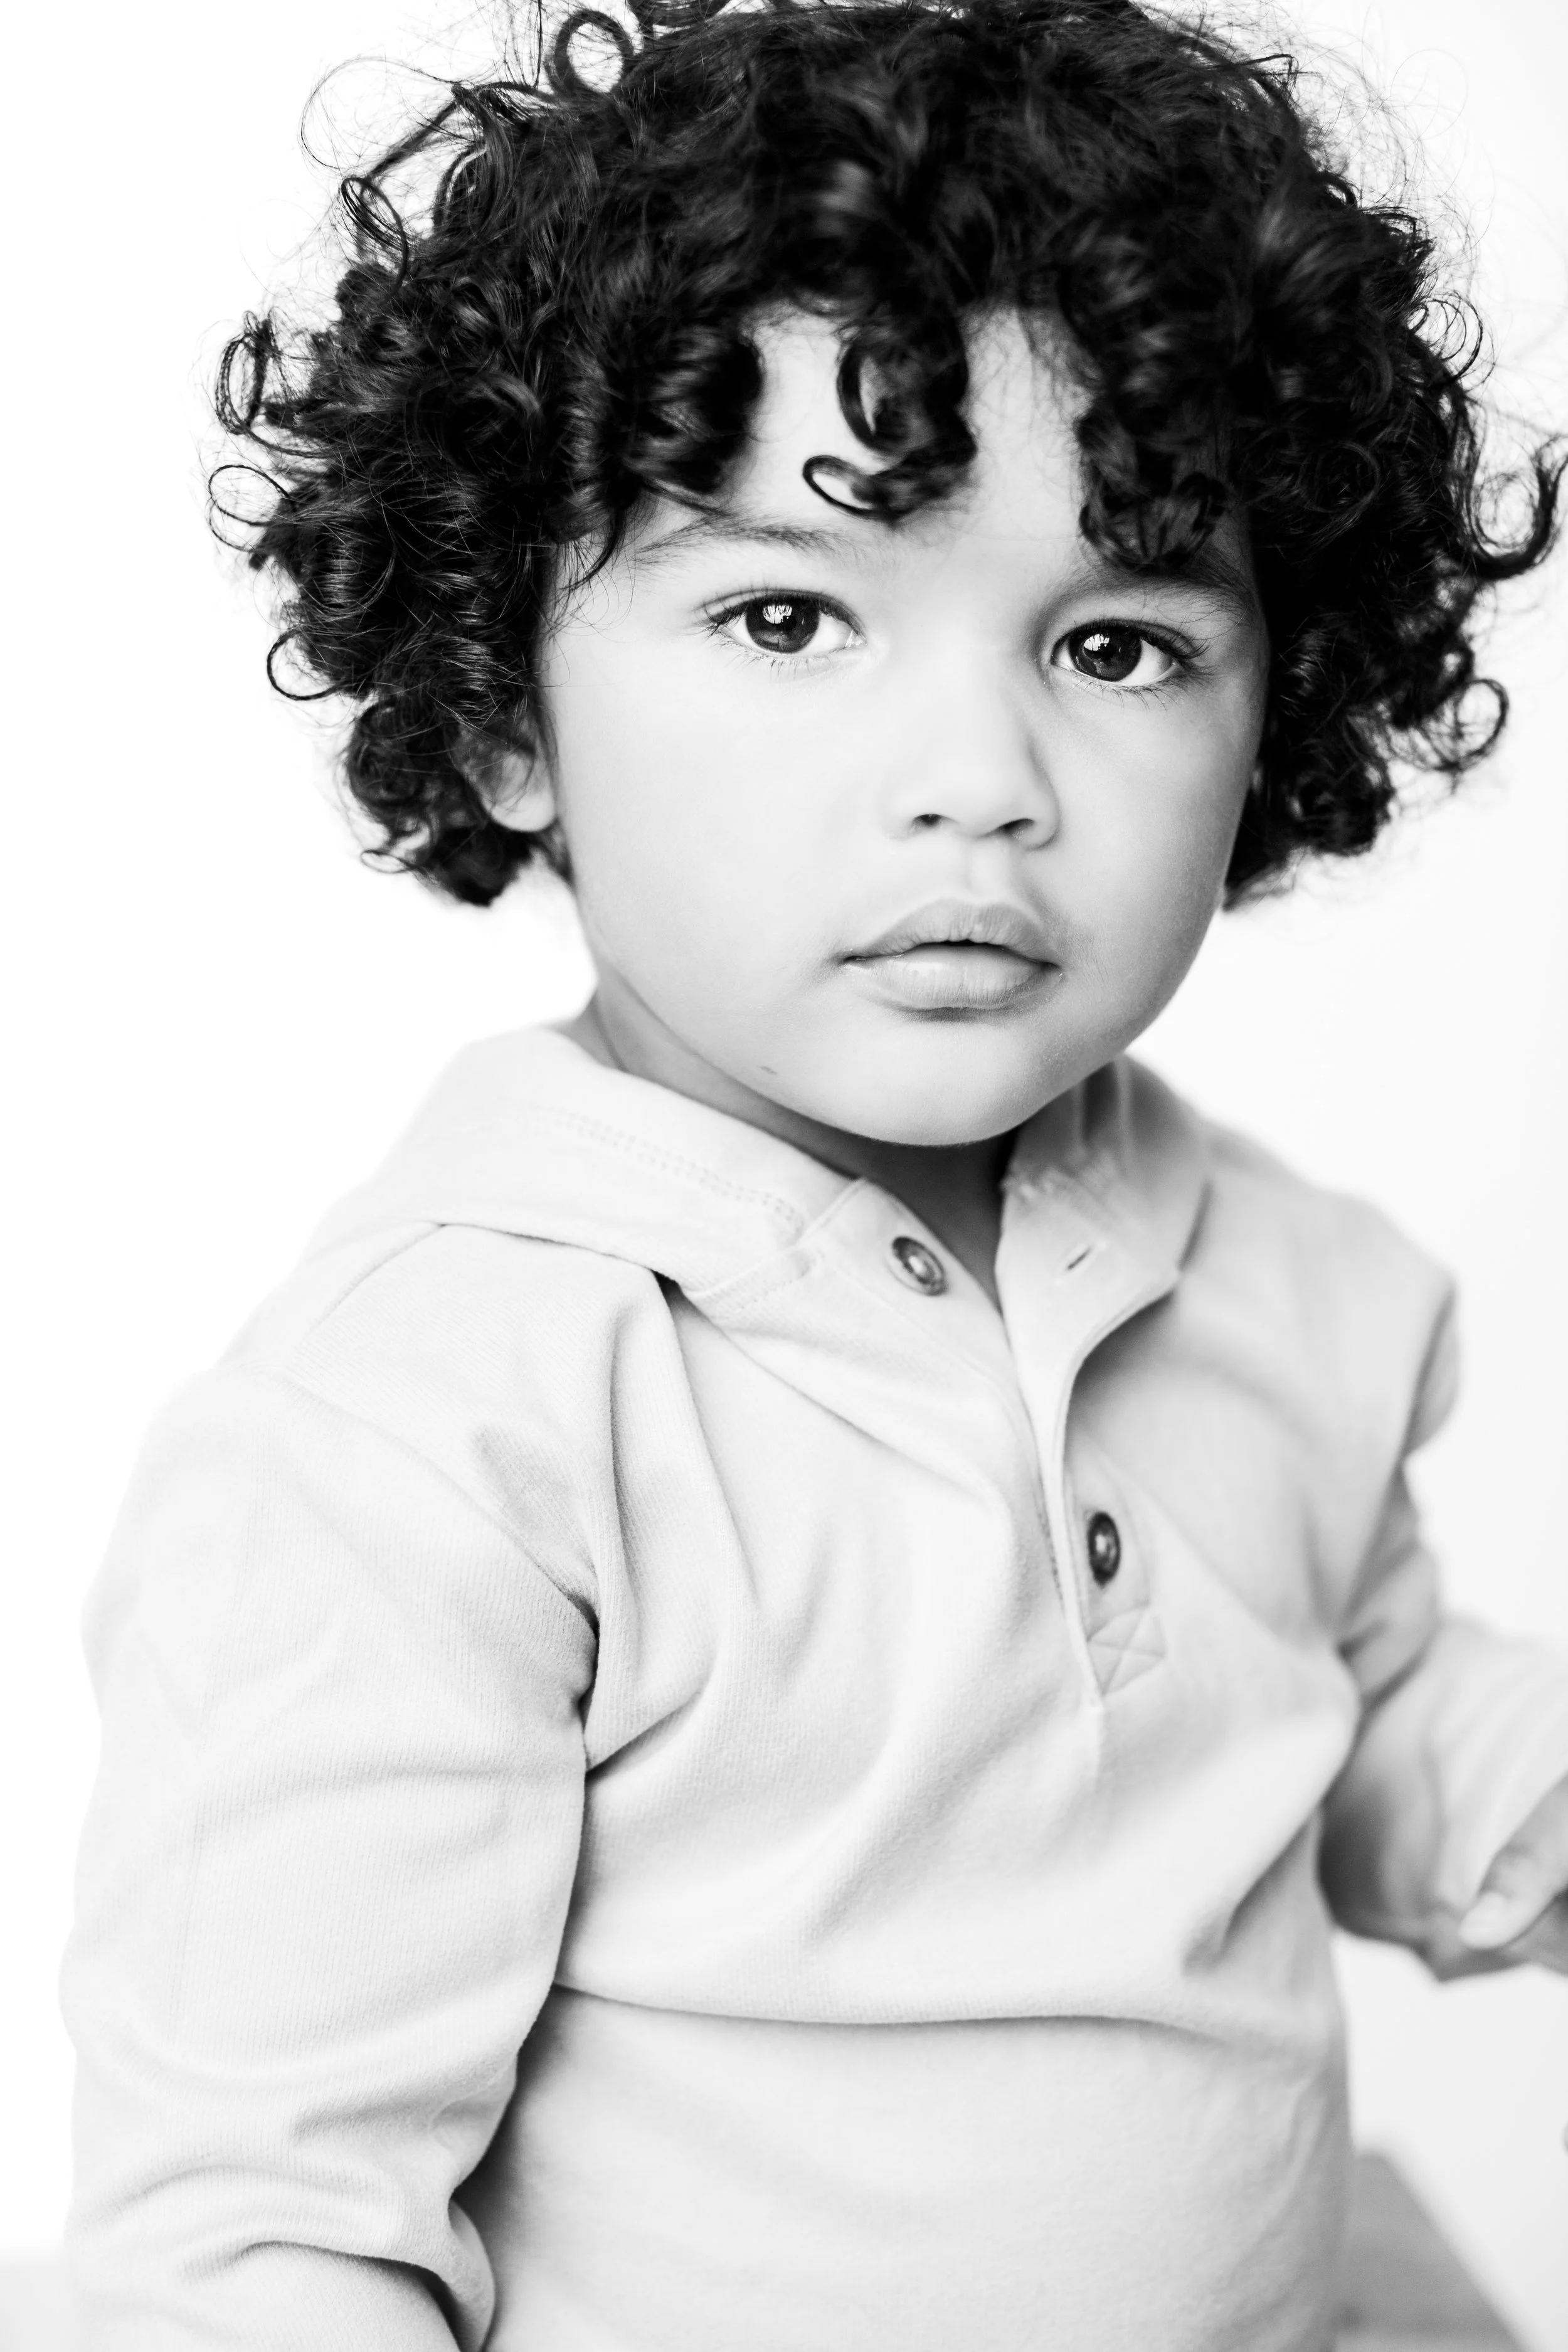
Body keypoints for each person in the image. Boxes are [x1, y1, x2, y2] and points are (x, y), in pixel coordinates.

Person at [61, 1, 1568, 2345]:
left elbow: (1341, 1718)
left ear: (1281, 704)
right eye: (787, 615)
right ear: (496, 710)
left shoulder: (1265, 1273)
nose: (978, 771)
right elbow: (259, 2232)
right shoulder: (430, 1430)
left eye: (1118, 638)